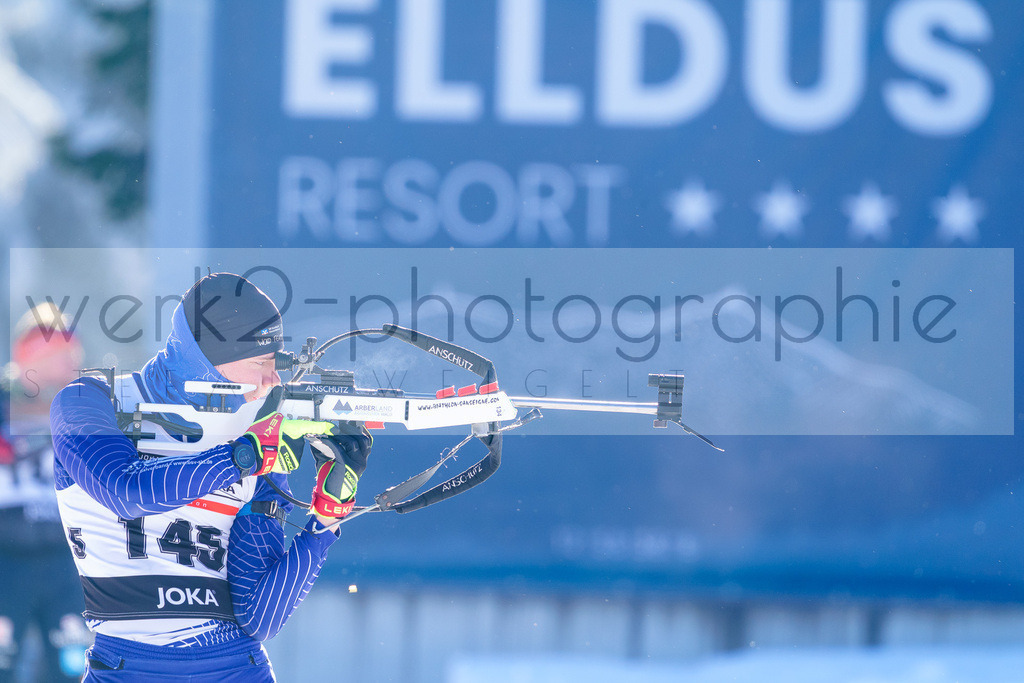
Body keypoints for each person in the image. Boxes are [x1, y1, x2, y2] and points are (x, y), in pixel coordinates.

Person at [49, 272, 371, 681]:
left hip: (236, 669)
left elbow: (259, 618)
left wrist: (326, 521)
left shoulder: (256, 432)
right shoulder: (91, 400)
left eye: (278, 364)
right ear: (206, 359)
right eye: (261, 363)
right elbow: (125, 491)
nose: (274, 381)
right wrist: (245, 456)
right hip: (126, 669)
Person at [0, 303, 92, 682]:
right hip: (7, 559)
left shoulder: (84, 407)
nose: (63, 367)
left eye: (69, 358)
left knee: (73, 668)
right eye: (53, 357)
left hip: (64, 561)